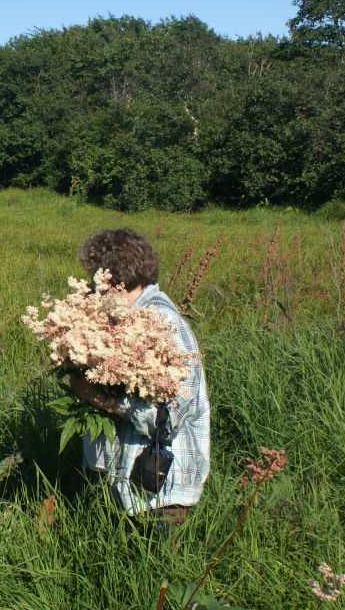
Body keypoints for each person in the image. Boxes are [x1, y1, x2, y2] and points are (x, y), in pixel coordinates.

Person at [70, 228, 210, 531]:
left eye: (96, 277)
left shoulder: (162, 321)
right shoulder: (120, 316)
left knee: (156, 575)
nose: (92, 288)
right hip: (123, 487)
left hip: (156, 495)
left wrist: (101, 398)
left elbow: (171, 419)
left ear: (114, 279)